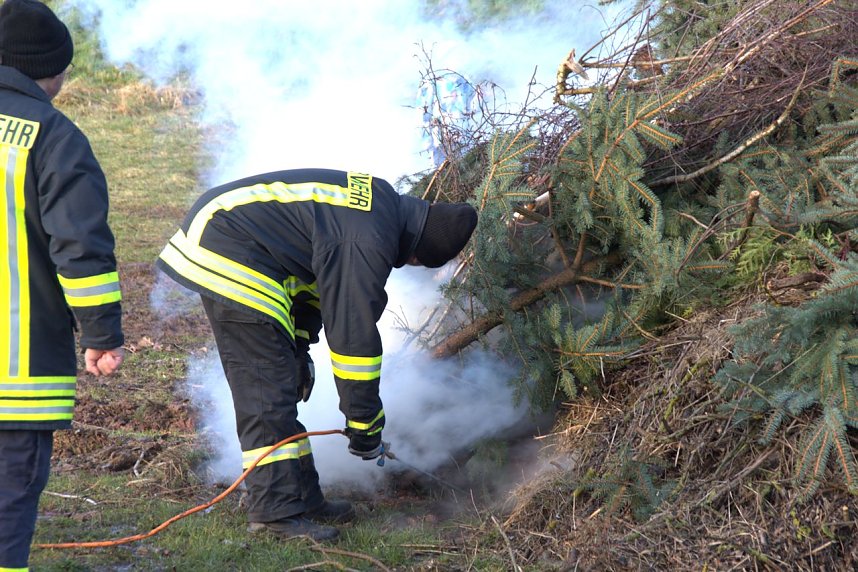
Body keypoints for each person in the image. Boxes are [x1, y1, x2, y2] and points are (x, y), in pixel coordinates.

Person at [156, 168, 477, 541]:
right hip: (228, 245)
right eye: (416, 262)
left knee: (281, 380)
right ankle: (274, 515)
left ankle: (304, 500)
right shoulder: (369, 240)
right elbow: (353, 340)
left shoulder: (381, 209)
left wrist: (300, 347)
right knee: (266, 388)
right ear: (420, 248)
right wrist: (365, 424)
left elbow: (313, 282)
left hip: (234, 235)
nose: (405, 265)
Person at [0, 0, 125, 569]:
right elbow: (80, 248)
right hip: (15, 374)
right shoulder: (51, 135)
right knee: (6, 506)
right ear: (45, 70)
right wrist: (101, 334)